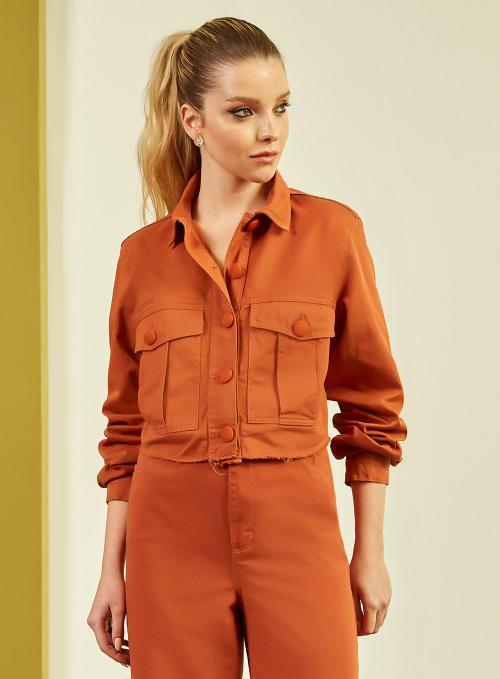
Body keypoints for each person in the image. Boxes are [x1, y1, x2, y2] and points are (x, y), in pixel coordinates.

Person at [86, 16, 407, 679]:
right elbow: (126, 431)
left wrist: (369, 550)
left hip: (297, 537)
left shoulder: (333, 235)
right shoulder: (142, 258)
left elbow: (371, 406)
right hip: (168, 545)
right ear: (193, 121)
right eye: (244, 111)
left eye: (281, 108)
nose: (271, 131)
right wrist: (111, 571)